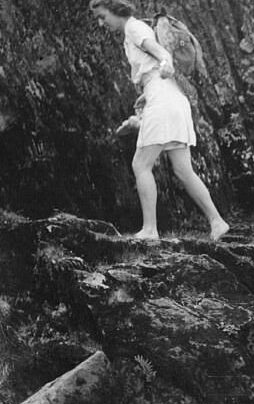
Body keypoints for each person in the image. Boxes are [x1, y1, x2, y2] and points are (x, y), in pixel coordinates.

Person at [90, 0, 230, 242]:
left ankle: (150, 229)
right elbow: (153, 71)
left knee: (140, 165)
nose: (102, 24)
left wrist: (166, 64)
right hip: (173, 99)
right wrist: (142, 108)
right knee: (184, 170)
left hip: (164, 99)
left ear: (115, 9)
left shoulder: (134, 28)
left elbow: (161, 54)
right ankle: (217, 222)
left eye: (103, 17)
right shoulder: (134, 30)